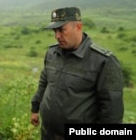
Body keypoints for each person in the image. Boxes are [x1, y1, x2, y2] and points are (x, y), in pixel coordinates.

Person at [30, 7, 124, 140]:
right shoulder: (52, 53)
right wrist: (35, 108)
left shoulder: (103, 61)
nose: (57, 36)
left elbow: (111, 112)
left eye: (62, 30)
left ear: (78, 27)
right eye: (54, 31)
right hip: (48, 133)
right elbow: (44, 82)